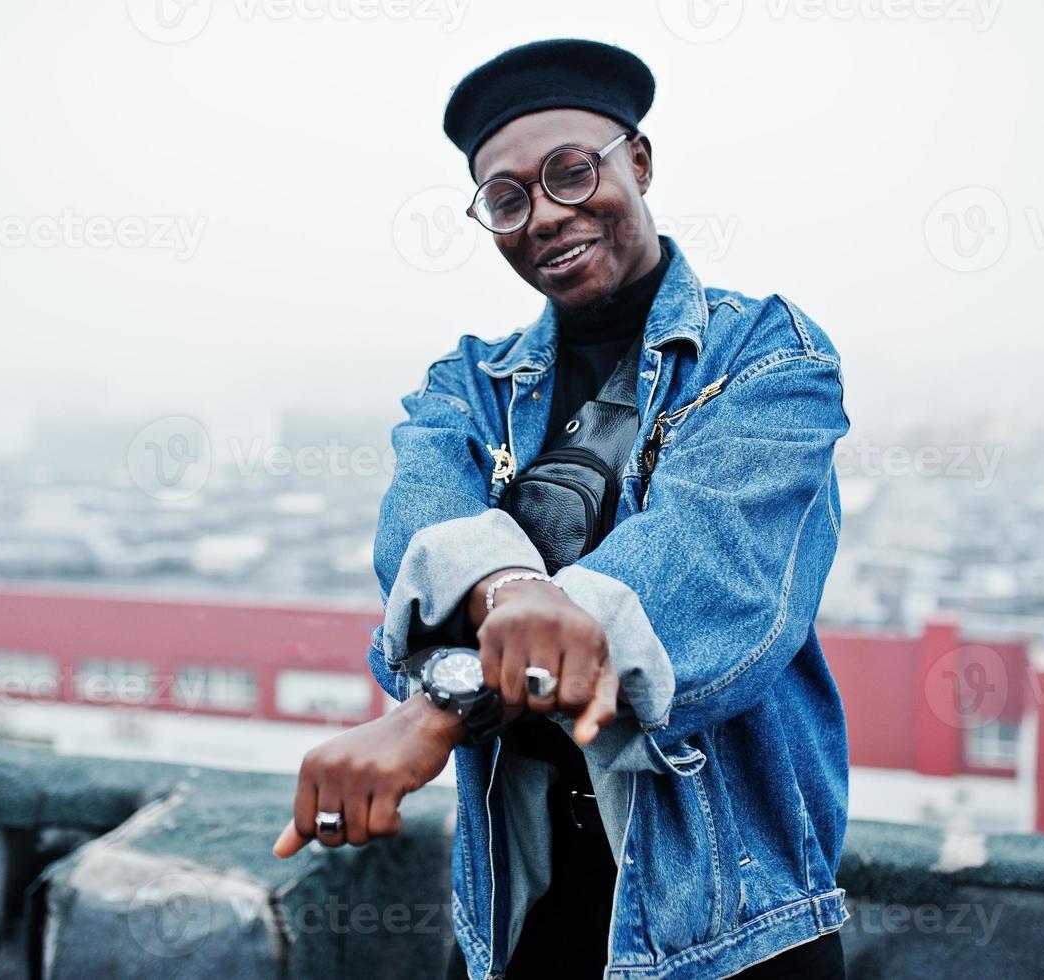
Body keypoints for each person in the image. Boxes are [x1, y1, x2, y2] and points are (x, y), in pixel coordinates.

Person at [274, 38, 852, 980]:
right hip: (516, 909)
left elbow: (714, 586)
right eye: (507, 198)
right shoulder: (467, 383)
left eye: (570, 173)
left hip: (731, 926)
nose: (544, 214)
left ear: (639, 160)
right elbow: (417, 546)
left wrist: (435, 714)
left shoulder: (767, 361)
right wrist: (510, 588)